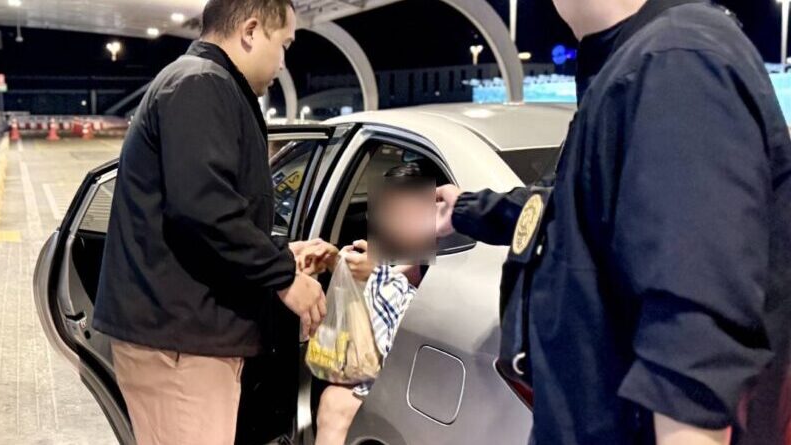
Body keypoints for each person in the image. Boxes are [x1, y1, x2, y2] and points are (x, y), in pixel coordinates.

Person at [435, 1, 791, 445]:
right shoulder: (639, 66)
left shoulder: (675, 65)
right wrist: (464, 209)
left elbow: (693, 372)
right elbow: (563, 210)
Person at [93, 1, 326, 444]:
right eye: (284, 44)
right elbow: (203, 208)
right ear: (251, 31)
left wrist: (280, 255)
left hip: (183, 339)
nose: (283, 62)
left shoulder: (202, 82)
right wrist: (283, 276)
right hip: (180, 346)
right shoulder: (201, 84)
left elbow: (209, 212)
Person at [297, 163, 434, 445]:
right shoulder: (413, 257)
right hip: (401, 366)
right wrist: (340, 263)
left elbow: (404, 312)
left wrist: (376, 274)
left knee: (334, 403)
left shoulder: (447, 263)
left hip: (419, 372)